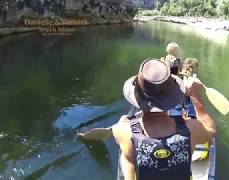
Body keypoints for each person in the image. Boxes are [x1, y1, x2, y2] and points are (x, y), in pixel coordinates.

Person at [78, 58, 217, 180]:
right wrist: (195, 96)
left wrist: (126, 121)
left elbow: (125, 130)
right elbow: (211, 130)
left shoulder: (123, 130)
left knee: (127, 156)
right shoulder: (191, 129)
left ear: (137, 97)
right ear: (173, 96)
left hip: (129, 136)